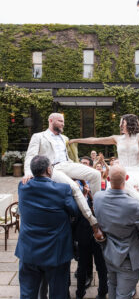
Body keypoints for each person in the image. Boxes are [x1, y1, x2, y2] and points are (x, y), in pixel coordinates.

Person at [22, 113, 104, 241]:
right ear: (51, 120)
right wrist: (28, 172)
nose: (63, 124)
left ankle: (98, 210)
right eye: (60, 121)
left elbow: (67, 157)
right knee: (74, 188)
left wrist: (78, 170)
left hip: (67, 164)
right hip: (51, 168)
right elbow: (30, 156)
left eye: (63, 121)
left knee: (96, 174)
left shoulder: (65, 138)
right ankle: (94, 223)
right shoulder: (38, 136)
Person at [69, 113, 139, 224]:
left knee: (137, 202)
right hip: (121, 172)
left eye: (122, 122)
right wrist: (76, 140)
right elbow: (95, 140)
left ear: (129, 123)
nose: (120, 125)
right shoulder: (116, 138)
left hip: (137, 172)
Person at [15, 155, 79, 299]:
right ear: (49, 170)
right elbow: (74, 211)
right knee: (58, 294)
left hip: (29, 251)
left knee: (27, 294)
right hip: (56, 252)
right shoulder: (63, 189)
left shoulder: (23, 186)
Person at [93, 165, 139, 299]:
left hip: (108, 251)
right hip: (127, 257)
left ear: (108, 178)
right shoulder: (134, 204)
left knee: (112, 285)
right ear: (127, 178)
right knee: (123, 295)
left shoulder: (97, 197)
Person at [75, 156, 108, 299]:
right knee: (82, 264)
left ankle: (102, 293)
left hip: (99, 228)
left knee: (101, 265)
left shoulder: (103, 183)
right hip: (84, 228)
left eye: (86, 164)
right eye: (81, 164)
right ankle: (79, 293)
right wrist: (83, 194)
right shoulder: (78, 183)